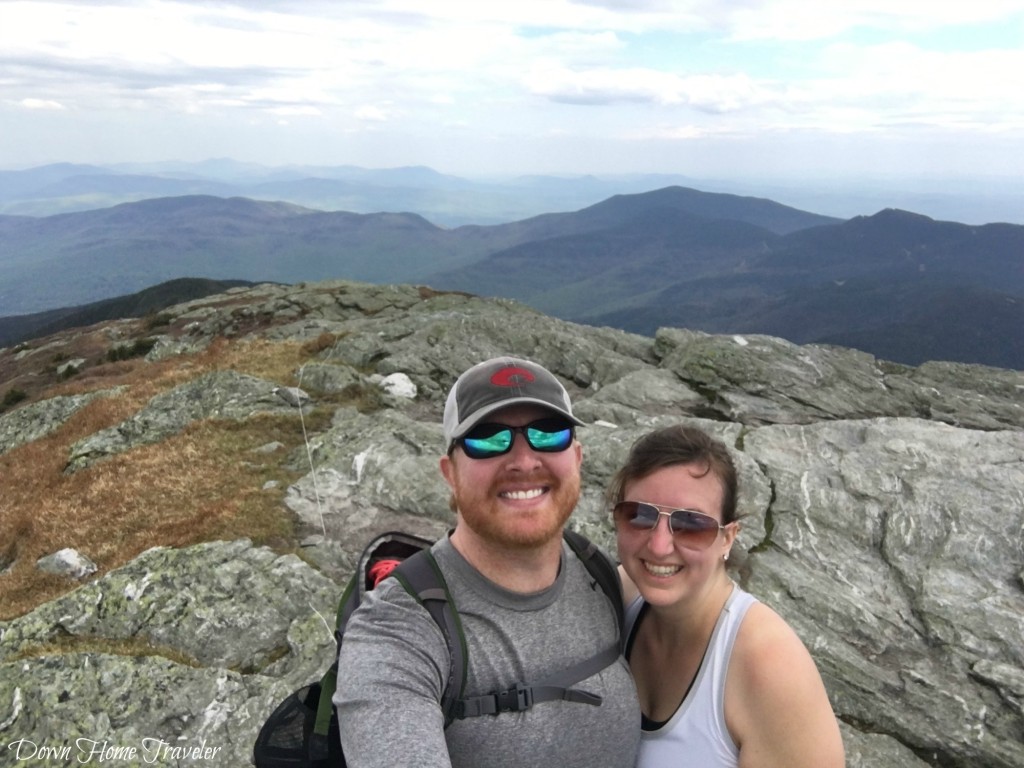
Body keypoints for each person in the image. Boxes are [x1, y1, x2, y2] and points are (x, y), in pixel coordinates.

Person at [334, 356, 640, 768]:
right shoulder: (398, 630)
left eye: (549, 434)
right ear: (450, 473)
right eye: (488, 438)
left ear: (578, 458)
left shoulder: (596, 571)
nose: (524, 460)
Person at [609, 424, 844, 768]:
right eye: (640, 516)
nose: (659, 546)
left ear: (727, 538)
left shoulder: (769, 667)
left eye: (691, 524)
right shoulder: (616, 598)